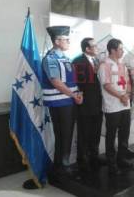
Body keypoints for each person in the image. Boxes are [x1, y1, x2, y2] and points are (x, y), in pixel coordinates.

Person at [42, 26, 83, 175]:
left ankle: (61, 164)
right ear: (57, 41)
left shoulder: (65, 58)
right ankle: (62, 166)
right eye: (66, 39)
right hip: (59, 102)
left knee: (67, 134)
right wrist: (73, 96)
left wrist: (78, 94)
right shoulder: (51, 58)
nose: (69, 42)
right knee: (63, 134)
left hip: (68, 101)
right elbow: (56, 82)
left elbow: (71, 81)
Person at [98, 38, 134, 175]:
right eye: (120, 49)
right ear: (113, 50)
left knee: (124, 133)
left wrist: (128, 94)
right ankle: (112, 163)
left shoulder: (122, 65)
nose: (122, 51)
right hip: (113, 106)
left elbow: (128, 82)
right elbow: (107, 85)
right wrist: (121, 96)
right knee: (111, 135)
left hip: (125, 105)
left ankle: (121, 158)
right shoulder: (105, 65)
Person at [72, 38, 105, 172]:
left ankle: (94, 156)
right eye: (94, 46)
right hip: (85, 104)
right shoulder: (78, 61)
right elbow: (77, 84)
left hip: (98, 103)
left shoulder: (96, 60)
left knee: (96, 132)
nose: (97, 48)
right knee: (84, 133)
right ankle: (82, 159)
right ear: (87, 48)